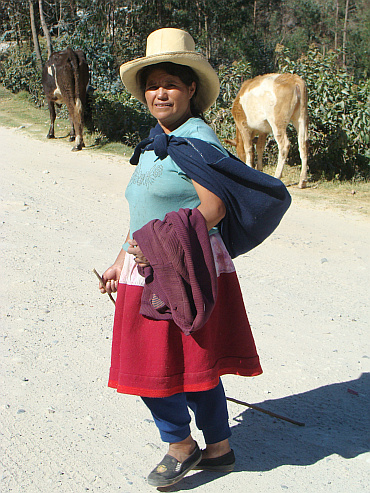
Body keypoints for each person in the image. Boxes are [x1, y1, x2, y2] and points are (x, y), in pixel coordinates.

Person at [99, 27, 264, 488]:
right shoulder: (156, 139)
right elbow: (144, 209)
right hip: (147, 263)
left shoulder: (196, 139)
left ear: (191, 88)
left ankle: (180, 444)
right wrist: (120, 257)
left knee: (157, 366)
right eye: (152, 85)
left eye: (170, 83)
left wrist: (152, 246)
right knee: (185, 363)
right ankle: (219, 448)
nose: (160, 93)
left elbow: (213, 208)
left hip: (184, 266)